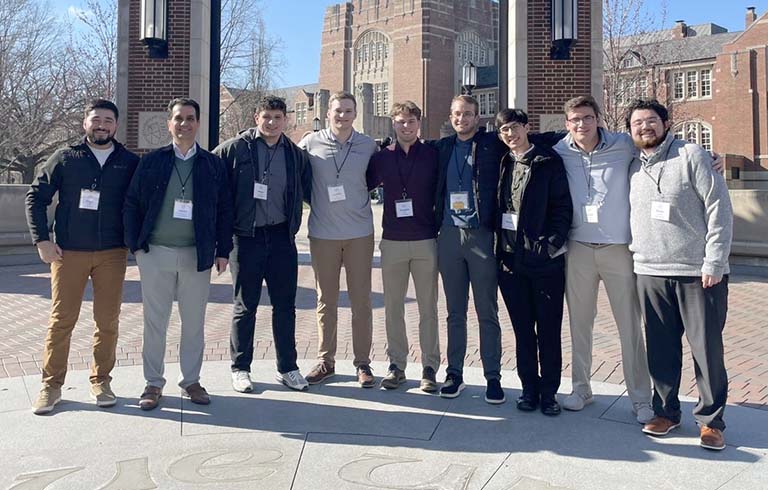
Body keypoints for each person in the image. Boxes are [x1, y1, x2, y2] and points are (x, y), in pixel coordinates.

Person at [625, 99, 732, 451]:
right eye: (638, 123)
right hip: (650, 271)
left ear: (666, 123)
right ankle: (666, 413)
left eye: (652, 121)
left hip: (697, 273)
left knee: (706, 350)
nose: (645, 127)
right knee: (660, 349)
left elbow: (719, 209)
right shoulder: (631, 164)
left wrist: (714, 262)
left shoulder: (694, 157)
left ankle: (711, 421)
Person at [25, 99, 139, 415]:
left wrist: (137, 242)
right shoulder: (65, 158)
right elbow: (36, 197)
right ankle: (51, 386)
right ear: (85, 123)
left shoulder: (128, 162)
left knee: (108, 321)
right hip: (69, 252)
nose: (101, 125)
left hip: (112, 254)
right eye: (96, 119)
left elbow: (141, 204)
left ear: (116, 126)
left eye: (108, 120)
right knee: (62, 321)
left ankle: (101, 380)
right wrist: (42, 240)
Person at [124, 98, 233, 410]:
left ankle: (191, 381)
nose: (184, 124)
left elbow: (225, 209)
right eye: (178, 118)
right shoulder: (152, 161)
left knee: (194, 322)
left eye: (190, 118)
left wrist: (222, 250)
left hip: (195, 255)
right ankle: (153, 383)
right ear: (168, 123)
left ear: (198, 123)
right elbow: (132, 203)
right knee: (154, 321)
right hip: (155, 253)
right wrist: (136, 244)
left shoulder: (213, 165)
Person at [552, 96, 655, 423]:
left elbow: (659, 147)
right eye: (574, 119)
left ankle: (641, 398)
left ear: (598, 119)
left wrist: (707, 156)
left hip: (618, 249)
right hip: (578, 248)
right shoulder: (559, 150)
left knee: (629, 326)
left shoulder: (624, 145)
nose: (581, 124)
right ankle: (581, 388)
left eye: (586, 117)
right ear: (567, 123)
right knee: (579, 324)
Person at [214, 95, 312, 393]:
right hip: (246, 238)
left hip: (282, 237)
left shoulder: (295, 155)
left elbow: (309, 191)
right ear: (257, 117)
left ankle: (288, 367)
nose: (271, 123)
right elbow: (211, 179)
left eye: (277, 118)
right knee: (246, 306)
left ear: (286, 120)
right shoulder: (235, 148)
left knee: (285, 306)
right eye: (266, 117)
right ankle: (241, 368)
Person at [495, 109, 572, 415]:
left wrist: (550, 244)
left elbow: (562, 208)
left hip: (544, 263)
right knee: (523, 331)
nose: (509, 135)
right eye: (504, 131)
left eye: (514, 128)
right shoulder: (501, 162)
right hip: (510, 263)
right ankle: (529, 389)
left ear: (526, 128)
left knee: (549, 330)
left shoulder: (548, 162)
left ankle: (549, 392)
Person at [299, 91, 379, 387]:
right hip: (323, 234)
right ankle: (326, 361)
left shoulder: (368, 145)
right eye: (337, 111)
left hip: (360, 234)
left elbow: (375, 180)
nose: (342, 116)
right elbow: (296, 176)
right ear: (328, 113)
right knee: (326, 301)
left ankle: (363, 363)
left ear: (355, 114)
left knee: (362, 302)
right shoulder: (309, 143)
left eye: (347, 111)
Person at [432, 95, 505, 403]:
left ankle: (493, 377)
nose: (462, 119)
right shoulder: (442, 148)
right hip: (448, 236)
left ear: (478, 118)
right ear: (451, 117)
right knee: (454, 312)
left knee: (487, 311)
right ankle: (455, 373)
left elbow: (530, 140)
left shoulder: (492, 145)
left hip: (481, 236)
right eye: (458, 114)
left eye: (469, 114)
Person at [366, 101, 440, 392]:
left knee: (428, 308)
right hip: (393, 241)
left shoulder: (433, 155)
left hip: (425, 240)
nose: (405, 127)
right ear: (392, 124)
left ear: (418, 124)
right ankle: (397, 365)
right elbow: (361, 186)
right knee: (393, 307)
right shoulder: (382, 158)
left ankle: (429, 367)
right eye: (400, 122)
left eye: (410, 122)